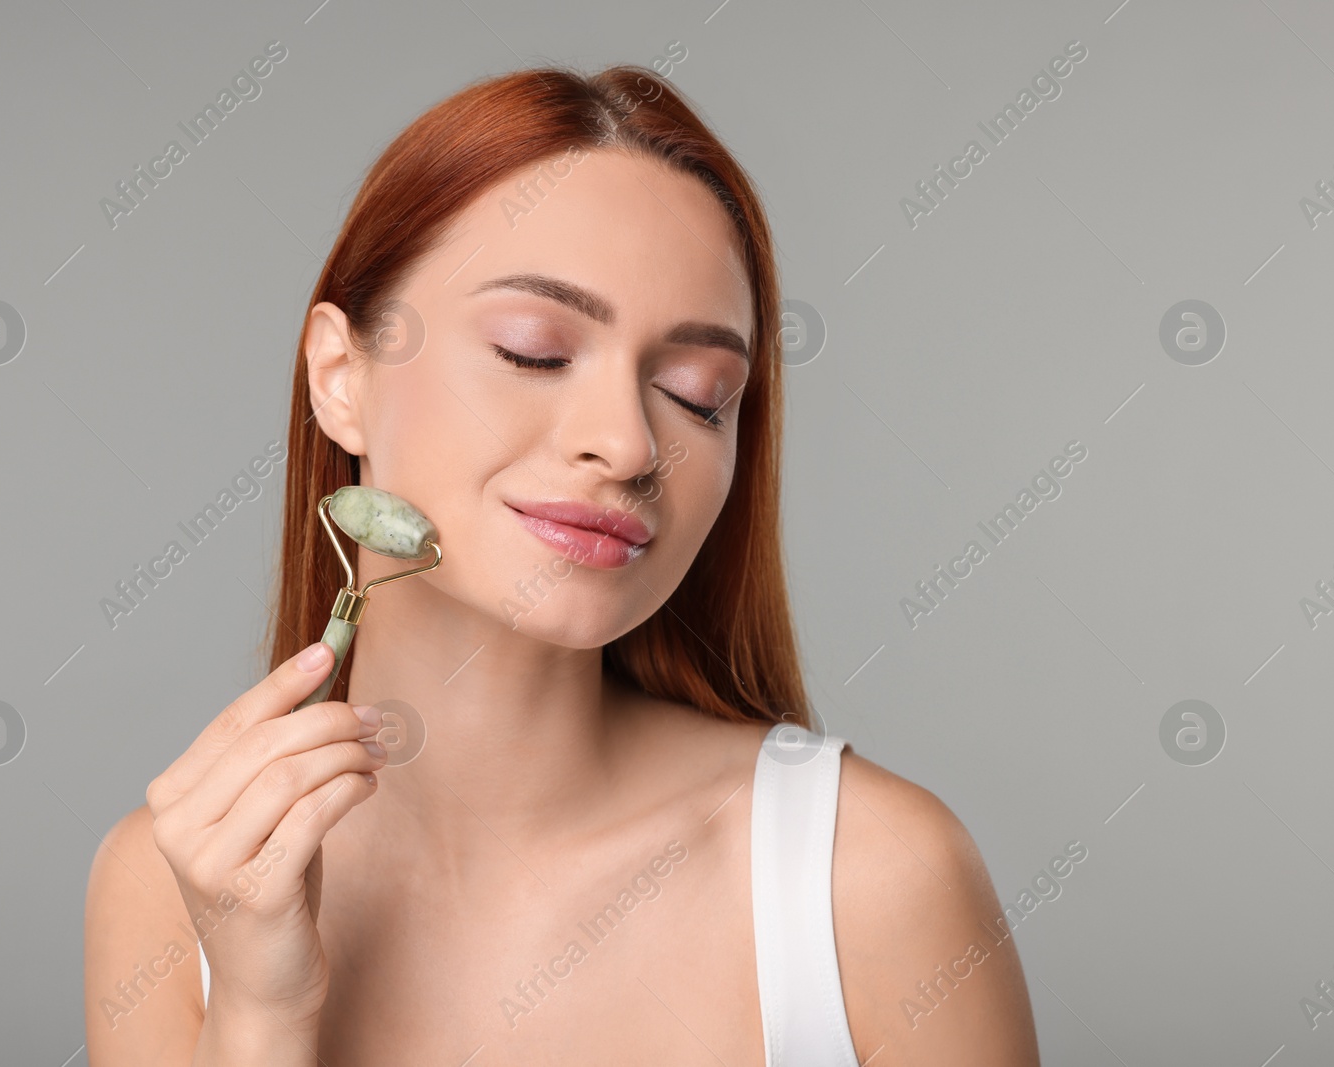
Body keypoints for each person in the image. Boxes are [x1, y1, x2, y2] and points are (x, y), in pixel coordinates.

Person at [83, 63, 1041, 1065]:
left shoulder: (868, 877)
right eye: (535, 350)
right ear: (340, 377)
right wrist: (260, 1012)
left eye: (698, 394)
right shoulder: (171, 885)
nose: (627, 444)